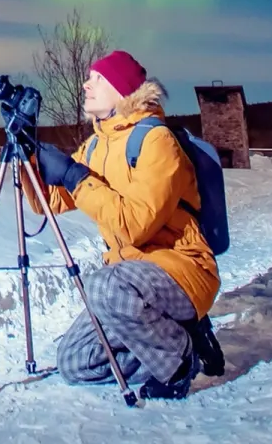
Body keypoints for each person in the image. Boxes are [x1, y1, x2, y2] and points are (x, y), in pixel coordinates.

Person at [30, 50, 224, 399]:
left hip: (181, 270)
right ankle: (180, 340)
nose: (86, 84)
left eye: (97, 79)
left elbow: (135, 226)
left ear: (121, 91)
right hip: (130, 282)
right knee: (74, 362)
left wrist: (75, 177)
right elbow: (51, 202)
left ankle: (177, 361)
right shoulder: (95, 146)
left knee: (103, 287)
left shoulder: (156, 142)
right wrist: (27, 155)